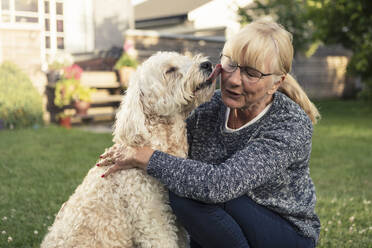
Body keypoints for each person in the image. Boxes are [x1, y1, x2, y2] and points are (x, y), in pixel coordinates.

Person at [99, 19, 321, 248]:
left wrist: (144, 156)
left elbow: (220, 184)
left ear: (276, 83)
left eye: (251, 73)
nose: (234, 80)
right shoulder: (207, 108)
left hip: (283, 231)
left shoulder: (289, 123)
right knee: (187, 191)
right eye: (231, 64)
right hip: (223, 220)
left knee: (186, 195)